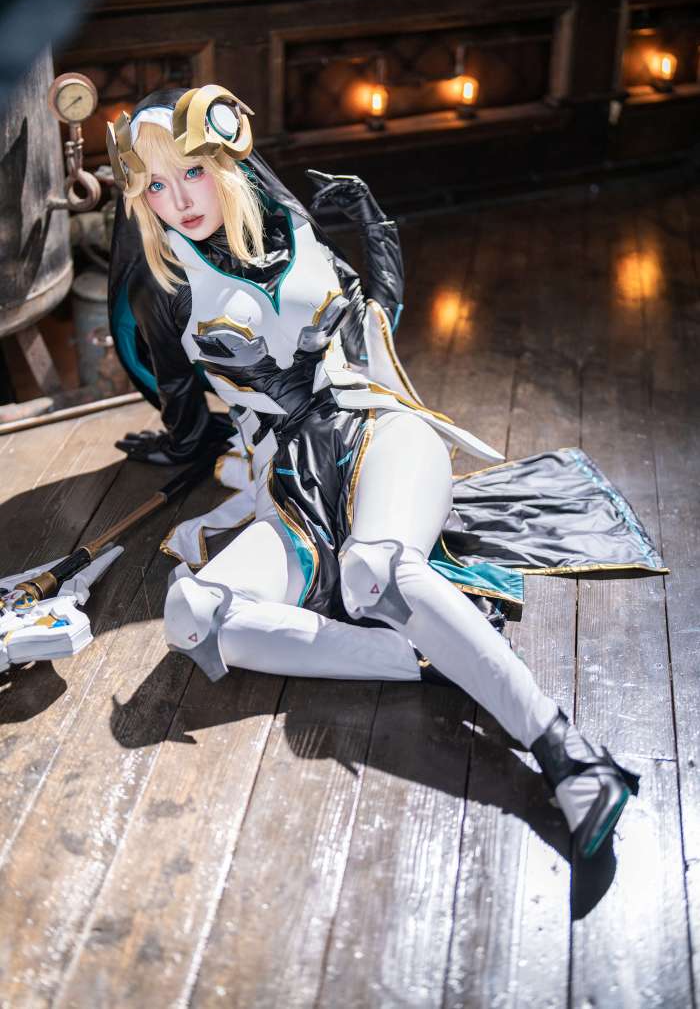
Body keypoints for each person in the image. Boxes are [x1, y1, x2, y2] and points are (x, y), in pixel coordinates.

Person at [106, 84, 650, 860]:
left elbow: (374, 325)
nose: (179, 200)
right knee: (194, 615)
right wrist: (181, 446)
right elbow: (185, 411)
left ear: (226, 164)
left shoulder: (294, 227)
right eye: (156, 185)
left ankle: (568, 754)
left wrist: (376, 229)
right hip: (291, 488)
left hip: (379, 434)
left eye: (191, 172)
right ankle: (430, 659)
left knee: (375, 573)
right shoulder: (161, 289)